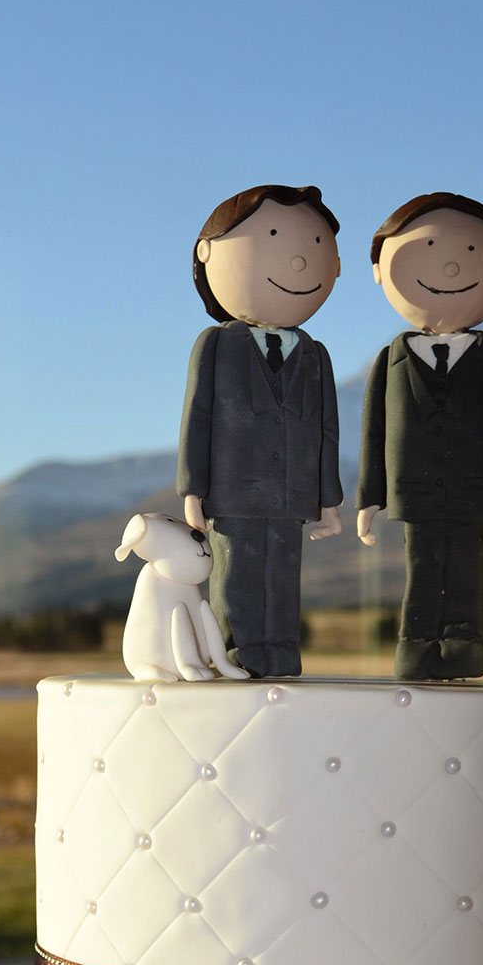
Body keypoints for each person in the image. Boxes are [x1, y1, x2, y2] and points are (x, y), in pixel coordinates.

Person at [357, 192, 483, 680]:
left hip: (475, 491)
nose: (453, 267)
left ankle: (464, 645)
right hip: (414, 491)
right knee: (421, 569)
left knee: (467, 574)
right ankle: (416, 645)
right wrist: (369, 497)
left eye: (473, 252)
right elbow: (374, 432)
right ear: (380, 270)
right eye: (429, 248)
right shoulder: (390, 361)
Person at [177, 184, 342, 678]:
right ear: (207, 254)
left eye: (316, 246)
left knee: (283, 579)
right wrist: (193, 489)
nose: (299, 260)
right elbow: (197, 418)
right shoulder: (215, 345)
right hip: (234, 492)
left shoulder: (315, 354)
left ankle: (281, 653)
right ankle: (237, 655)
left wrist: (329, 500)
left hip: (292, 494)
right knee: (237, 580)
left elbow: (327, 431)